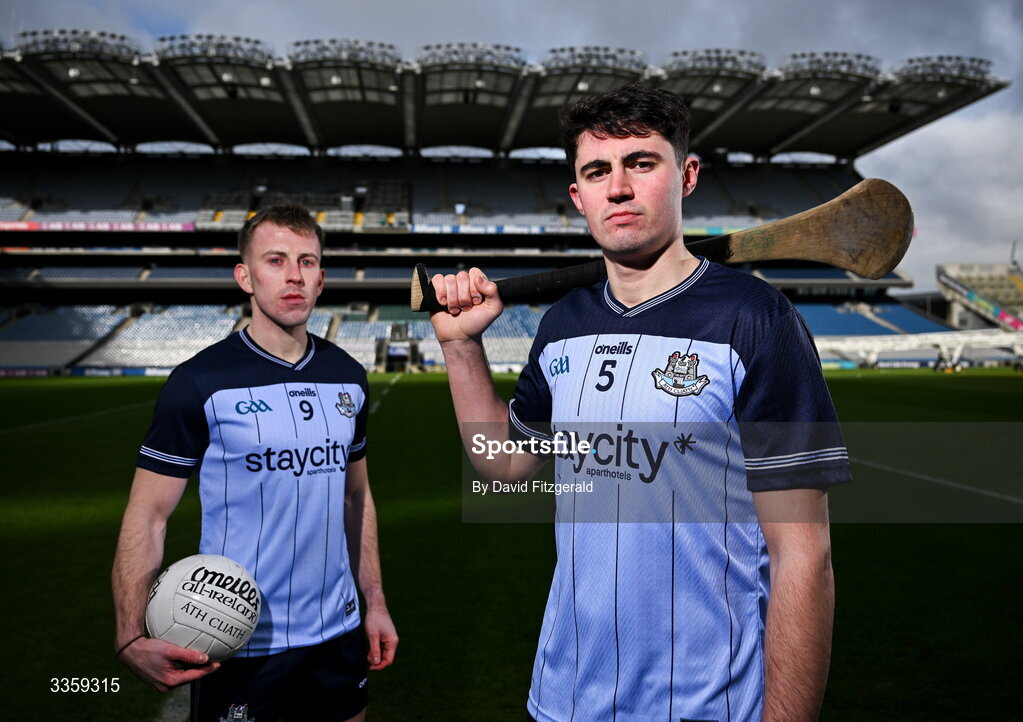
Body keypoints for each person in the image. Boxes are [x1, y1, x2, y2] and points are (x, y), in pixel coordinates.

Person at [429, 84, 850, 721]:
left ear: (686, 175)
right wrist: (461, 347)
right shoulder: (562, 323)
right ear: (578, 196)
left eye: (641, 163)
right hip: (565, 697)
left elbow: (804, 556)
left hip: (707, 705)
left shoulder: (756, 319)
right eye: (597, 171)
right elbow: (504, 463)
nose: (618, 188)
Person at [112, 205, 397, 722]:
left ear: (322, 278)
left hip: (338, 632)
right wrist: (130, 631)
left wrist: (373, 601)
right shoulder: (199, 383)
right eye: (276, 260)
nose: (294, 275)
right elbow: (147, 515)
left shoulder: (348, 375)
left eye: (307, 262)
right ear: (245, 276)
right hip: (238, 638)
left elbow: (357, 497)